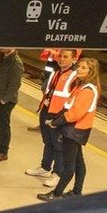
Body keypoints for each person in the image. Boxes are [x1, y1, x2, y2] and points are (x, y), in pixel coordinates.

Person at [40, 58, 100, 201]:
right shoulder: (83, 86)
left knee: (69, 166)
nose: (79, 69)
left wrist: (56, 122)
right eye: (79, 67)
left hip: (74, 130)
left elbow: (75, 113)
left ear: (91, 72)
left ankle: (56, 194)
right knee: (79, 162)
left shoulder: (87, 90)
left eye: (84, 68)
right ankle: (76, 192)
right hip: (78, 130)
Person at [26, 48, 78, 189]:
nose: (61, 59)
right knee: (47, 141)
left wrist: (62, 117)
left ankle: (57, 174)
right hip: (47, 110)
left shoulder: (74, 76)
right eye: (60, 56)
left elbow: (73, 98)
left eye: (65, 57)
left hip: (58, 115)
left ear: (73, 59)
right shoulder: (56, 72)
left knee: (58, 145)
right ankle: (45, 167)